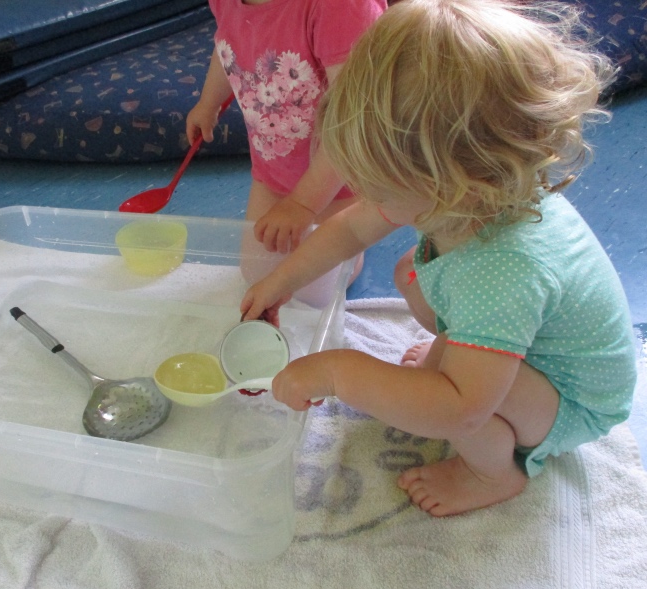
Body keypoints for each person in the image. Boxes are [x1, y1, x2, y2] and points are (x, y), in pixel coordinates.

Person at [240, 0, 638, 516]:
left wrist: (338, 372)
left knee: (454, 400)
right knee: (411, 271)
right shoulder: (468, 192)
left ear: (449, 185)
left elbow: (460, 412)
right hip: (530, 344)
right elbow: (350, 230)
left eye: (378, 184)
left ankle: (491, 474)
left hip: (572, 401)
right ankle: (466, 357)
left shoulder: (503, 272)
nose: (364, 194)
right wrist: (281, 281)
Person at [186, 0, 386, 255]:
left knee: (318, 275)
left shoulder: (341, 7)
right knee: (257, 270)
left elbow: (354, 122)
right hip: (274, 171)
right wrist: (208, 103)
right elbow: (228, 43)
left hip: (341, 177)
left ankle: (362, 222)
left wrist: (302, 204)